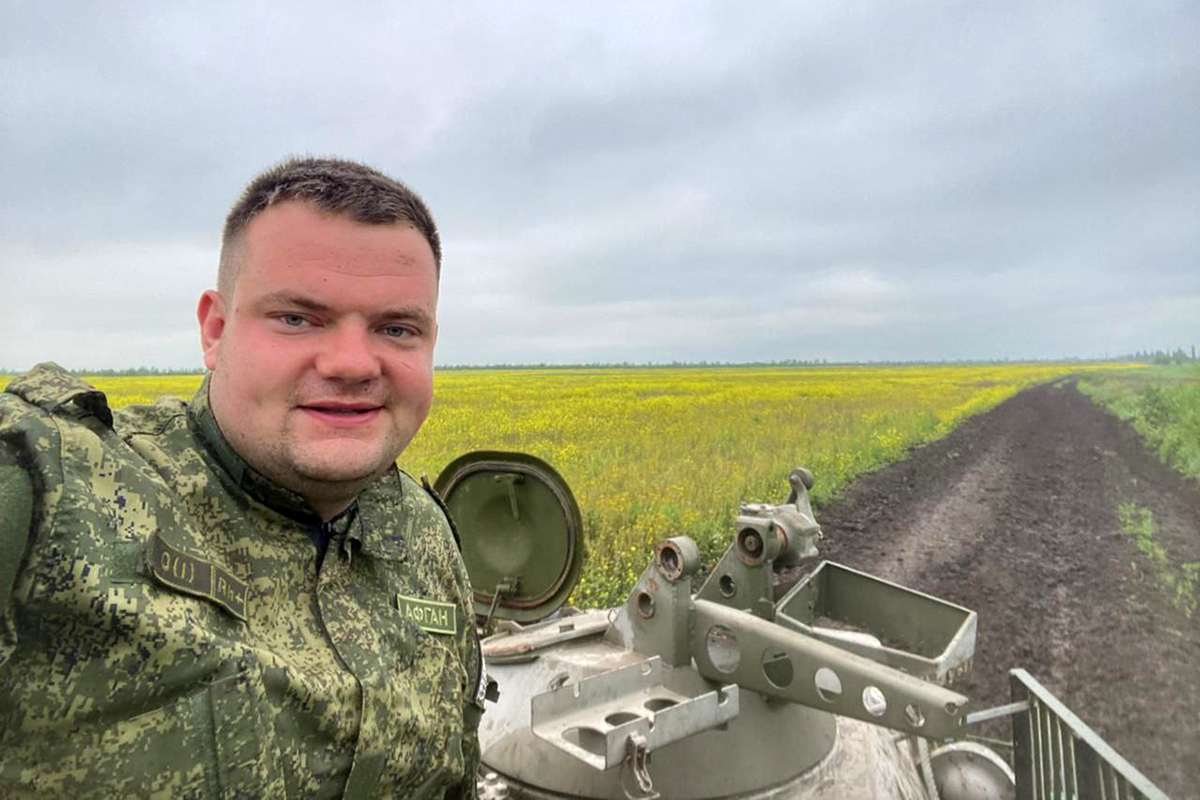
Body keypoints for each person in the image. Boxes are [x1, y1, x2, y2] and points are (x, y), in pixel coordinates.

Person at [0, 158, 483, 798]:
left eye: (396, 329)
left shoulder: (423, 531)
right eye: (297, 318)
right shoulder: (52, 487)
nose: (352, 364)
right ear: (216, 330)